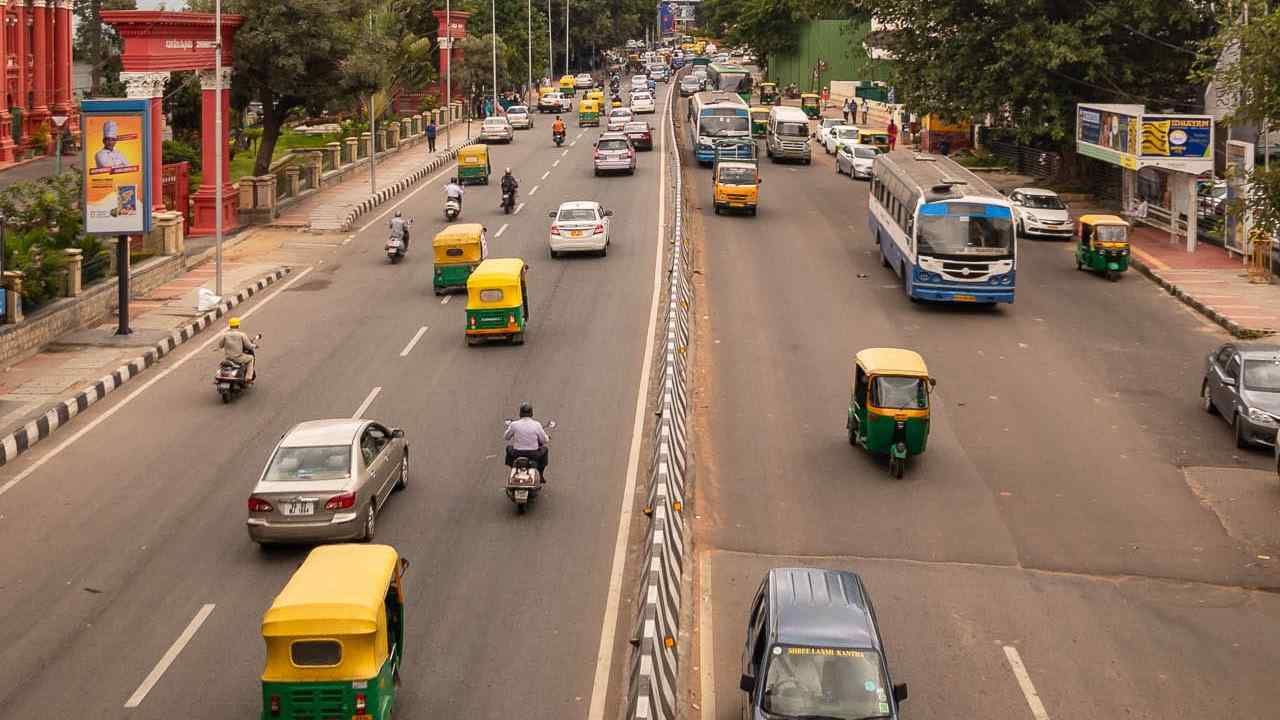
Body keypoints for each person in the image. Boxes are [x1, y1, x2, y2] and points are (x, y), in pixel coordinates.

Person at [504, 402, 550, 481]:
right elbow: (544, 440)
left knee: (508, 448)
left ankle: (513, 468)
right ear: (531, 413)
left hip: (517, 453)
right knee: (545, 450)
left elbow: (506, 437)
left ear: (520, 413)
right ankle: (541, 474)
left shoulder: (514, 424)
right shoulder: (536, 425)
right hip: (533, 454)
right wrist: (547, 438)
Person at [218, 317, 257, 382]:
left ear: (230, 325)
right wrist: (254, 346)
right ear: (238, 325)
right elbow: (248, 346)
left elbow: (220, 345)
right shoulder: (241, 335)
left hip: (228, 358)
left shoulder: (224, 335)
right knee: (251, 358)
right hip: (238, 357)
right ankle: (248, 378)